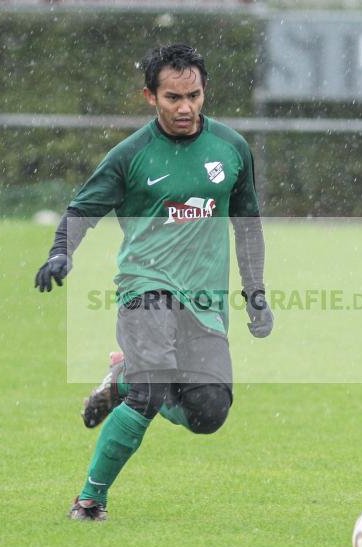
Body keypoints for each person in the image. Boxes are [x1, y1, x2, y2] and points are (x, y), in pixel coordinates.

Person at [34, 44, 273, 521]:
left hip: (204, 299)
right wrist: (60, 250)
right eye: (172, 98)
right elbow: (83, 208)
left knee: (209, 412)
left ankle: (122, 380)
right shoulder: (132, 155)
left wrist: (256, 292)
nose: (185, 108)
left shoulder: (232, 149)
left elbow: (247, 224)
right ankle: (89, 499)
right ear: (150, 96)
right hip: (146, 286)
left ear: (205, 92)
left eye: (194, 95)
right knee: (151, 393)